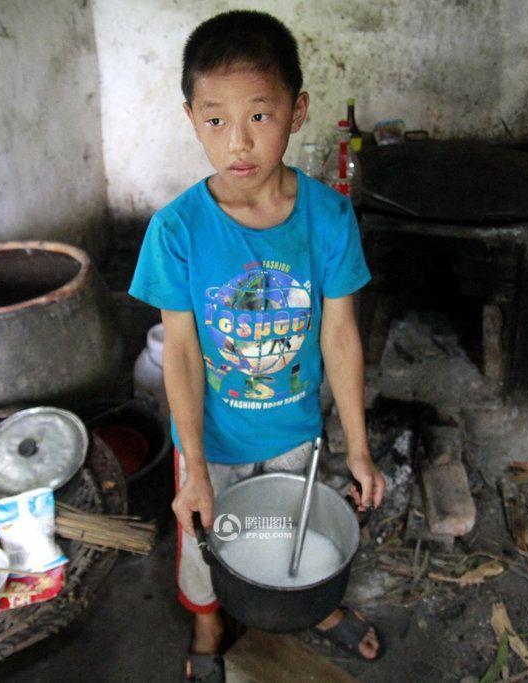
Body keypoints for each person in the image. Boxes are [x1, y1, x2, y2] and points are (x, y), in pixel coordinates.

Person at [128, 10, 387, 681]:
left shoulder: (328, 217)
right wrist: (192, 465)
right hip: (211, 441)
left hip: (295, 431)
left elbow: (340, 334)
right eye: (215, 119)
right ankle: (208, 623)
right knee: (206, 542)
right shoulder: (177, 230)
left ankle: (312, 606)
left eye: (260, 115)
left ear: (297, 111)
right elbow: (180, 352)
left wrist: (358, 447)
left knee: (292, 527)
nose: (237, 142)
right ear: (192, 118)